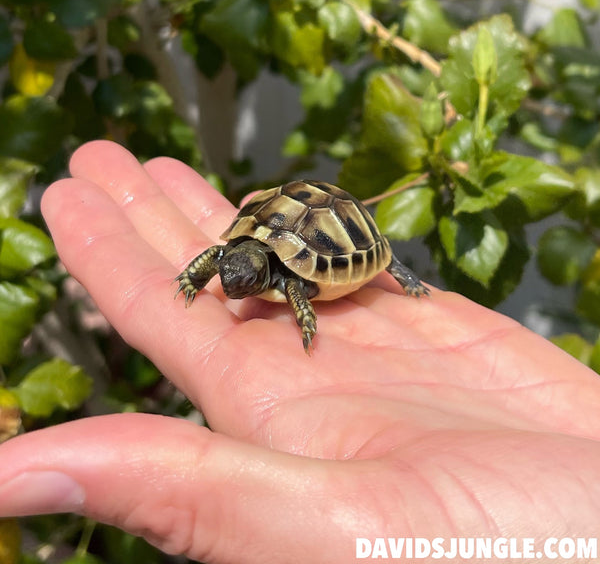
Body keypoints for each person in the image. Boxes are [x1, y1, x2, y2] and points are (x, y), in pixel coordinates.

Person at [1, 140, 600, 564]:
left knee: (336, 277)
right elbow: (218, 259)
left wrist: (306, 314)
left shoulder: (289, 279)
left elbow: (294, 284)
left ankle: (406, 274)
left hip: (335, 230)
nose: (233, 289)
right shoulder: (235, 259)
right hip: (280, 224)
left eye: (240, 280)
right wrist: (192, 277)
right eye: (230, 278)